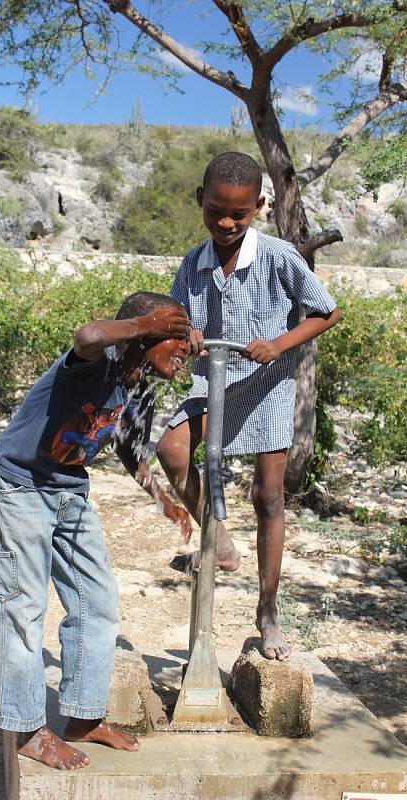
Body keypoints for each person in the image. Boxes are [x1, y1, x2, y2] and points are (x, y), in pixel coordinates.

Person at [0, 291, 193, 770]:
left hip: (69, 491)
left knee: (96, 602)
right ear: (149, 333)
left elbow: (127, 449)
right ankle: (25, 730)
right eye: (175, 340)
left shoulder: (136, 382)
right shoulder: (92, 363)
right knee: (21, 607)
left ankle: (81, 716)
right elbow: (88, 334)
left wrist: (166, 504)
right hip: (21, 488)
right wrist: (147, 326)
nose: (183, 352)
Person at [156, 152, 340, 662]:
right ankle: (220, 537)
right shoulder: (193, 263)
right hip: (213, 383)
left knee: (268, 496)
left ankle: (268, 611)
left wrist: (280, 344)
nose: (226, 222)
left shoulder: (279, 256)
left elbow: (326, 311)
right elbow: (175, 316)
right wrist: (186, 333)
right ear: (201, 201)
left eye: (239, 213)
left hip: (267, 386)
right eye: (216, 210)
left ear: (258, 206)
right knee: (172, 450)